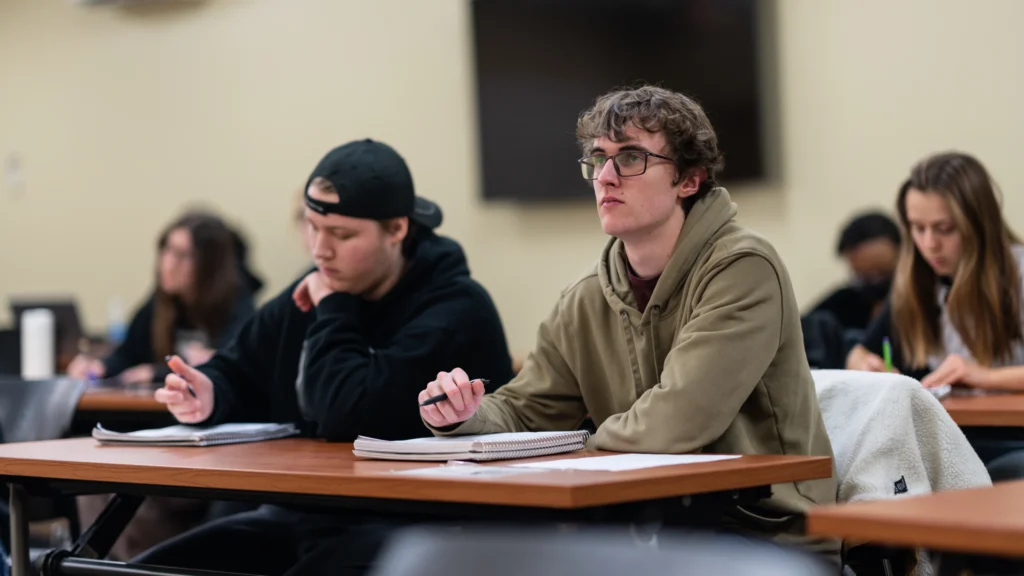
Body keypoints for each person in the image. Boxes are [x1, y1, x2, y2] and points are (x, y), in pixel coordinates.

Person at [418, 86, 839, 565]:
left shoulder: (743, 267)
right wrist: (463, 416)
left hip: (767, 536)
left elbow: (679, 420)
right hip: (646, 531)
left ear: (689, 179)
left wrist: (572, 450)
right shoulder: (584, 297)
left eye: (632, 158)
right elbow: (525, 410)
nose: (606, 177)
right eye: (598, 159)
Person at [135, 139, 515, 576]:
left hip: (419, 522)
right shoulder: (318, 286)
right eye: (313, 227)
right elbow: (240, 367)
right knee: (156, 570)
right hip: (310, 510)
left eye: (342, 235)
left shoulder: (455, 308)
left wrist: (333, 307)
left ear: (397, 229)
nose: (320, 250)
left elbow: (345, 411)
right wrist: (209, 393)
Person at [846, 151, 1024, 389]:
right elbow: (857, 354)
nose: (930, 245)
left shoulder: (1017, 272)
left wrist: (985, 377)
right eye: (918, 228)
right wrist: (867, 367)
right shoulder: (917, 279)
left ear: (979, 224)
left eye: (945, 228)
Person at [67, 212, 258, 385]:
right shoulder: (161, 302)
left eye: (181, 255)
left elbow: (227, 365)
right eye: (166, 250)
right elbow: (128, 355)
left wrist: (157, 373)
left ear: (209, 266)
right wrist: (101, 367)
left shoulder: (237, 303)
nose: (167, 264)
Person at [810, 212, 901, 331]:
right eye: (864, 277)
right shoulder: (840, 305)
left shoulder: (926, 297)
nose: (876, 282)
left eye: (883, 273)